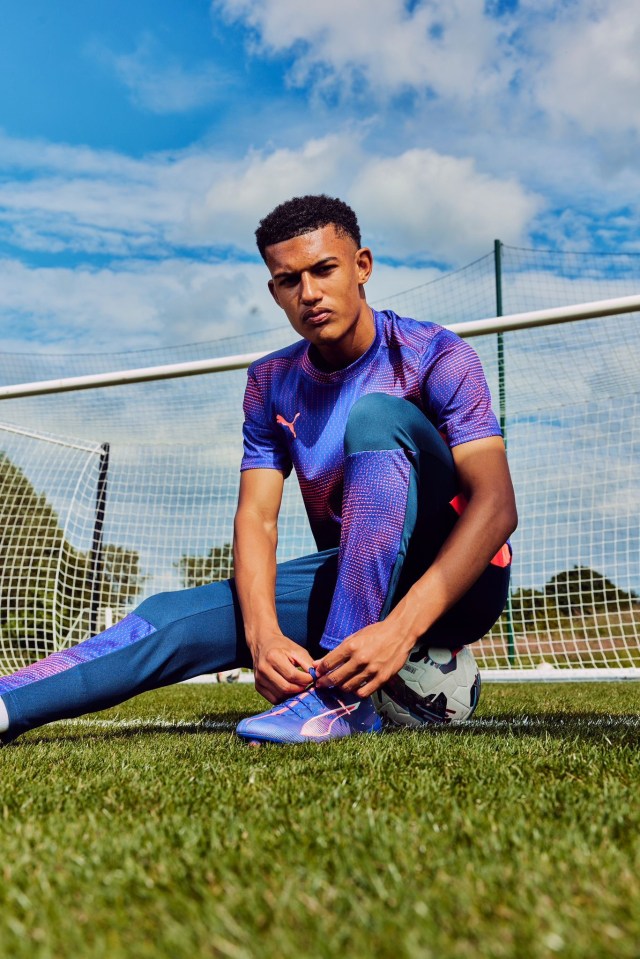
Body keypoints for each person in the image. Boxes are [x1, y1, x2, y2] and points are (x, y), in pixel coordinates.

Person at [0, 195, 517, 746]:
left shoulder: (434, 355)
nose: (310, 293)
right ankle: (10, 703)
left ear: (362, 266)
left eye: (325, 269)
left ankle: (340, 702)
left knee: (377, 418)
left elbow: (496, 505)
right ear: (274, 292)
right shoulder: (270, 381)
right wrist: (263, 634)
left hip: (464, 583)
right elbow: (257, 519)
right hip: (357, 579)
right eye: (289, 280)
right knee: (173, 615)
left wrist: (400, 630)